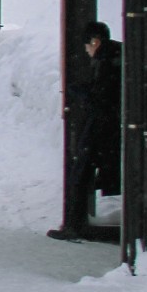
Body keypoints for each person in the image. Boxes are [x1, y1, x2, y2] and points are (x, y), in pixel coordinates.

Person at [50, 21, 122, 243]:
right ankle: (75, 224)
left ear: (95, 42)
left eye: (88, 47)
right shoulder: (118, 57)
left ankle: (74, 225)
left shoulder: (106, 61)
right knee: (86, 174)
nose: (87, 52)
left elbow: (101, 97)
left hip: (102, 130)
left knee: (81, 175)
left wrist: (79, 91)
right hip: (109, 130)